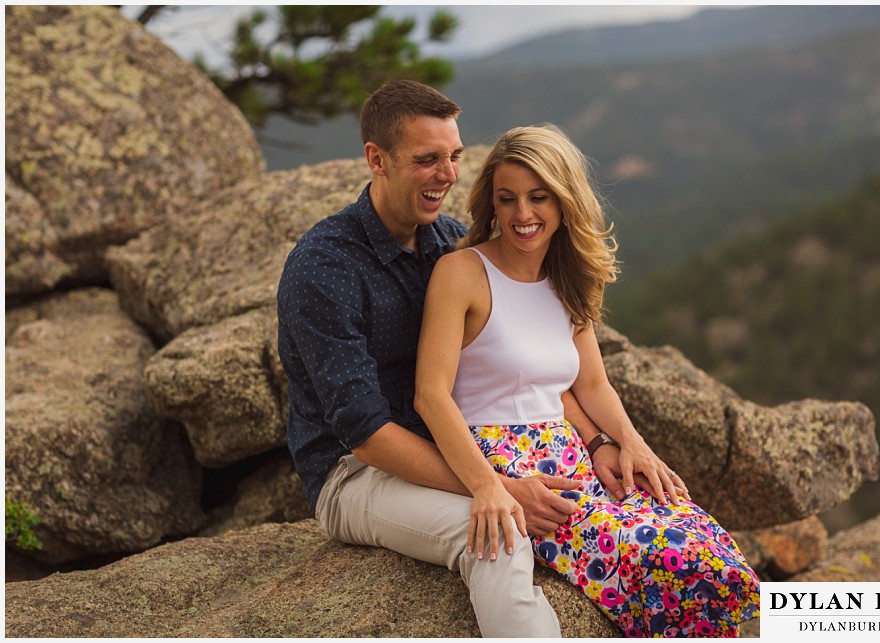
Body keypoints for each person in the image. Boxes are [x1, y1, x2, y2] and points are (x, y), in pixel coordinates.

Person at [414, 124, 761, 637]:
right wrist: (488, 487)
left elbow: (592, 385)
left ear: (564, 201)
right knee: (672, 563)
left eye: (538, 198)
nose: (522, 215)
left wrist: (632, 446)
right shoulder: (462, 272)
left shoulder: (566, 278)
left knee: (702, 536)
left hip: (574, 455)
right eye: (506, 199)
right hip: (513, 467)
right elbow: (430, 395)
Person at [277, 80, 594, 637]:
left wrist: (602, 444)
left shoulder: (450, 242)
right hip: (356, 475)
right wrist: (492, 485)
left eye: (453, 156)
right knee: (498, 536)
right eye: (427, 160)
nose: (447, 175)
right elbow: (366, 434)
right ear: (377, 159)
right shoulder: (323, 267)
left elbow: (532, 361)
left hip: (466, 447)